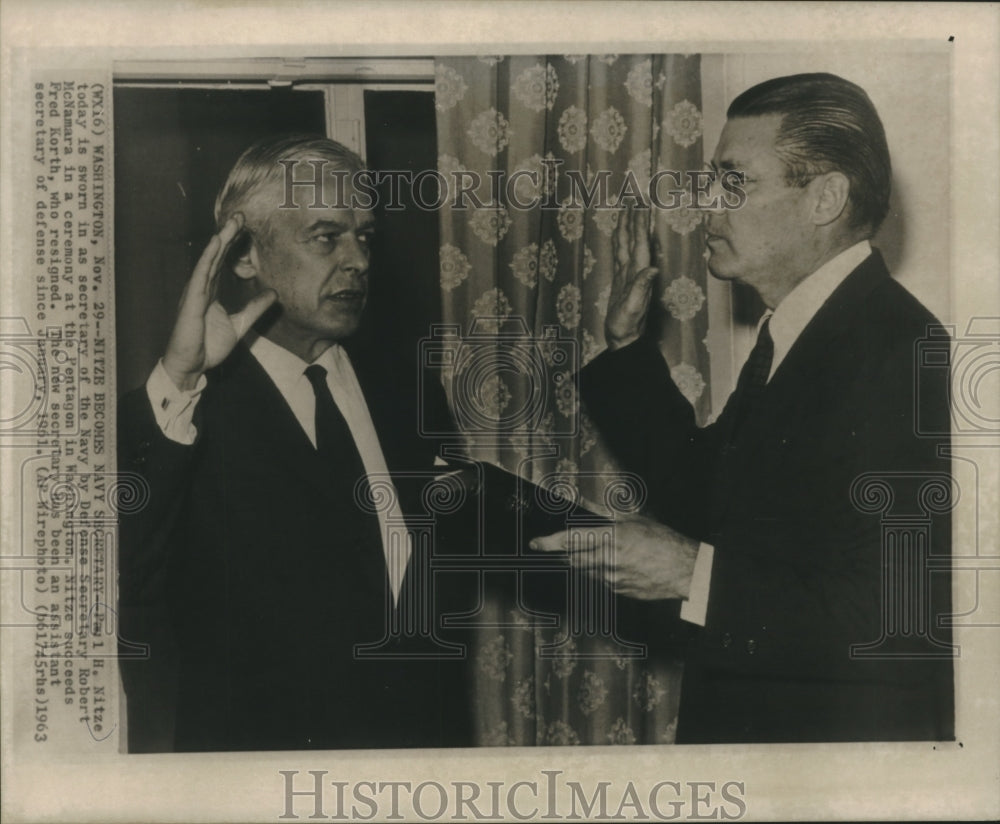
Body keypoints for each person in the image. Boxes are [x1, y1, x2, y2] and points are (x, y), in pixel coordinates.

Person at [532, 73, 954, 743]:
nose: (708, 205)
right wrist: (626, 352)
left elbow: (892, 616)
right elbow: (708, 501)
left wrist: (688, 572)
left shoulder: (903, 352)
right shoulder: (801, 333)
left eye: (734, 183)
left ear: (825, 198)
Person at [117, 134, 472, 752]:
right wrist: (179, 378)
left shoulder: (404, 393)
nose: (358, 259)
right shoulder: (185, 411)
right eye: (326, 236)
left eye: (365, 236)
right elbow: (126, 572)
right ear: (247, 254)